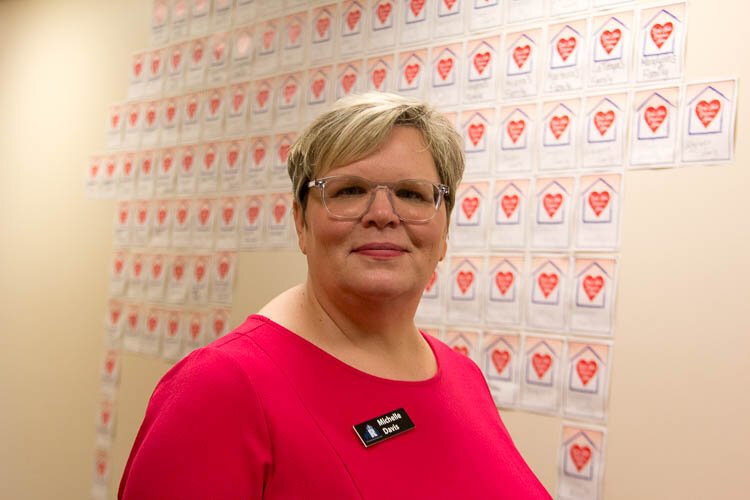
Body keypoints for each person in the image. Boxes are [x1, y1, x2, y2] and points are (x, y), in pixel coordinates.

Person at [119, 93, 550, 499]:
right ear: (300, 222)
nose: (383, 214)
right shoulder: (221, 387)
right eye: (349, 191)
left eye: (412, 194)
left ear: (444, 231)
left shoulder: (463, 378)